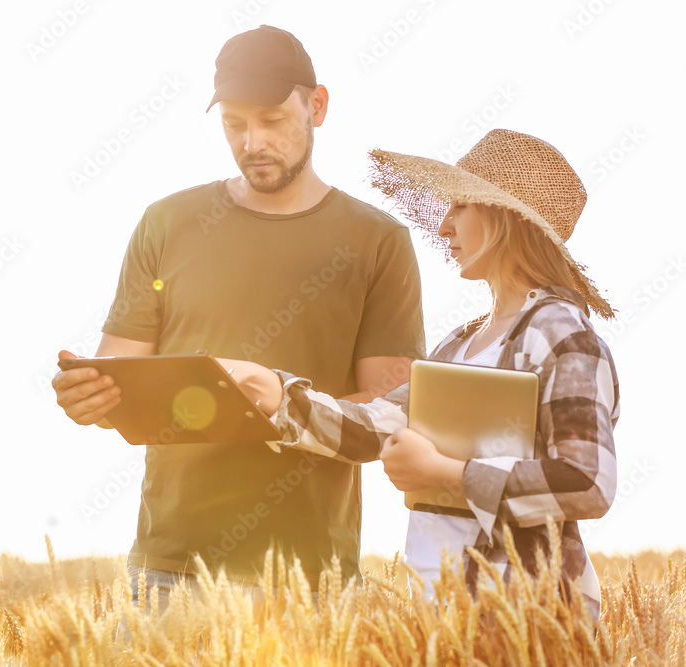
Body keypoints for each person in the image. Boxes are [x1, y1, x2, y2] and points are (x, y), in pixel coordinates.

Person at [52, 25, 426, 609]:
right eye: (234, 124)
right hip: (171, 568)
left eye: (272, 120)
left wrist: (279, 402)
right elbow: (122, 369)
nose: (252, 141)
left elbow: (389, 417)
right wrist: (91, 395)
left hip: (311, 577)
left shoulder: (378, 241)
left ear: (317, 106)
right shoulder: (166, 223)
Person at [225, 128, 619, 620]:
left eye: (459, 208)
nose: (444, 227)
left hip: (527, 620)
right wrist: (276, 395)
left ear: (505, 219)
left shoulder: (560, 333)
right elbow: (375, 427)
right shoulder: (459, 343)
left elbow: (587, 482)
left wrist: (446, 474)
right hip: (441, 616)